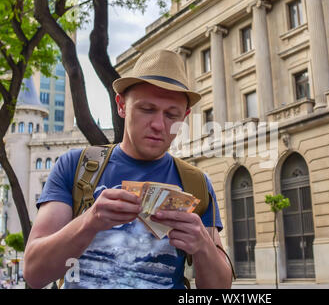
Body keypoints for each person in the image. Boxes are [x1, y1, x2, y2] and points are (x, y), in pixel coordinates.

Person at [23, 50, 233, 289]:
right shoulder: (75, 166)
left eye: (171, 115)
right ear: (121, 106)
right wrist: (89, 221)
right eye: (147, 109)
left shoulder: (196, 182)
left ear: (184, 117)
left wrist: (204, 246)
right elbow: (33, 273)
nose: (158, 125)